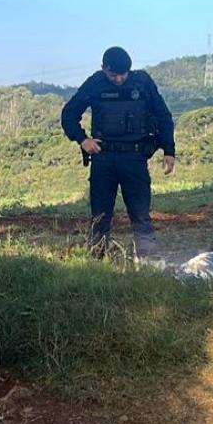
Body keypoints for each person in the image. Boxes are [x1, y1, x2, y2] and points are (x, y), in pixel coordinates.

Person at [61, 46, 176, 264]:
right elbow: (69, 114)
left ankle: (149, 263)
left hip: (134, 158)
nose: (119, 80)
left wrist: (169, 150)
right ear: (103, 68)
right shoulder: (95, 83)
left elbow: (163, 116)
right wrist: (83, 140)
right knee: (100, 217)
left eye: (123, 74)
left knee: (141, 215)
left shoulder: (142, 82)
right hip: (103, 159)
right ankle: (98, 262)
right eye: (113, 75)